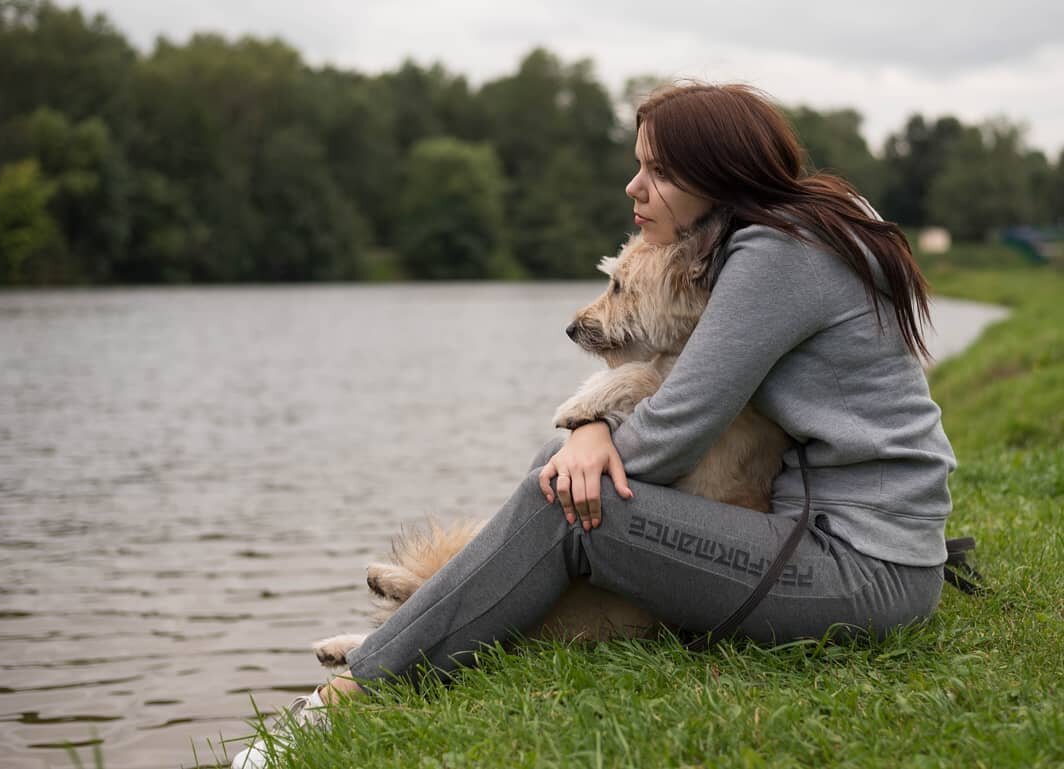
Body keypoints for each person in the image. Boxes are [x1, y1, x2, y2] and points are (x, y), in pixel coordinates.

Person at [231, 82, 956, 768]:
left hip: (860, 569)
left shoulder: (778, 254)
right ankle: (432, 628)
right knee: (565, 469)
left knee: (571, 503)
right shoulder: (793, 226)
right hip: (846, 547)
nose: (634, 188)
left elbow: (677, 427)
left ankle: (356, 692)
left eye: (658, 171)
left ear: (719, 175)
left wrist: (591, 434)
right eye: (638, 165)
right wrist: (586, 432)